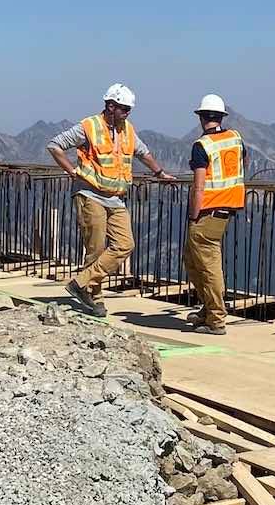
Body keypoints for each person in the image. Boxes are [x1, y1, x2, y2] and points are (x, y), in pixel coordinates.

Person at [47, 83, 171, 316]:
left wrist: (160, 173)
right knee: (95, 249)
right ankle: (94, 296)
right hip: (90, 194)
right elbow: (55, 145)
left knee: (125, 244)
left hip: (116, 197)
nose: (126, 113)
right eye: (123, 108)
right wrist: (71, 171)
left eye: (129, 109)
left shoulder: (127, 129)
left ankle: (81, 283)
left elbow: (142, 152)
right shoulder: (89, 127)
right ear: (110, 106)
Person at [183, 94, 245, 333]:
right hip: (227, 209)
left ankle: (216, 318)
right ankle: (209, 308)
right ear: (221, 116)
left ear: (201, 117)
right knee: (192, 260)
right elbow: (241, 165)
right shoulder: (235, 139)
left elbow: (199, 186)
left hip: (206, 212)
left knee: (208, 266)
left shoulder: (202, 146)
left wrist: (193, 215)